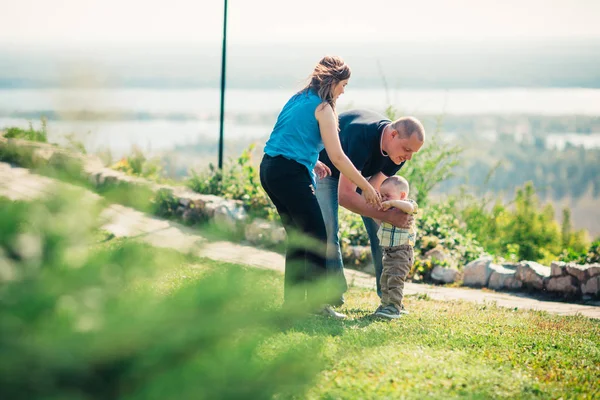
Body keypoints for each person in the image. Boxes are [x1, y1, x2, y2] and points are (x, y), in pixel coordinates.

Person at [259, 56, 382, 319]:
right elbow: (338, 157)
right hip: (289, 174)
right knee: (316, 237)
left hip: (270, 169)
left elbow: (289, 135)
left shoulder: (299, 98)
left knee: (300, 239)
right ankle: (315, 306)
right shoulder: (324, 109)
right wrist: (366, 187)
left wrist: (312, 161)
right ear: (333, 81)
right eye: (343, 84)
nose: (343, 91)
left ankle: (292, 306)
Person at [315, 111, 425, 304]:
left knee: (381, 230)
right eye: (407, 149)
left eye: (413, 153)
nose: (408, 157)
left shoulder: (396, 155)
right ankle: (333, 293)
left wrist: (385, 217)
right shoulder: (362, 136)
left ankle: (389, 297)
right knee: (328, 228)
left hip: (360, 173)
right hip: (327, 168)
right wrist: (390, 217)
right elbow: (345, 196)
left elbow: (372, 194)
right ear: (392, 135)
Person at [371, 175, 418, 319]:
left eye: (388, 195)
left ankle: (394, 307)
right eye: (382, 195)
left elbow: (410, 207)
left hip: (402, 252)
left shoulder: (407, 205)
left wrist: (393, 202)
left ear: (402, 195)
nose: (384, 198)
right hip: (389, 252)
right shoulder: (387, 209)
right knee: (385, 280)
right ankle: (386, 304)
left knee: (395, 280)